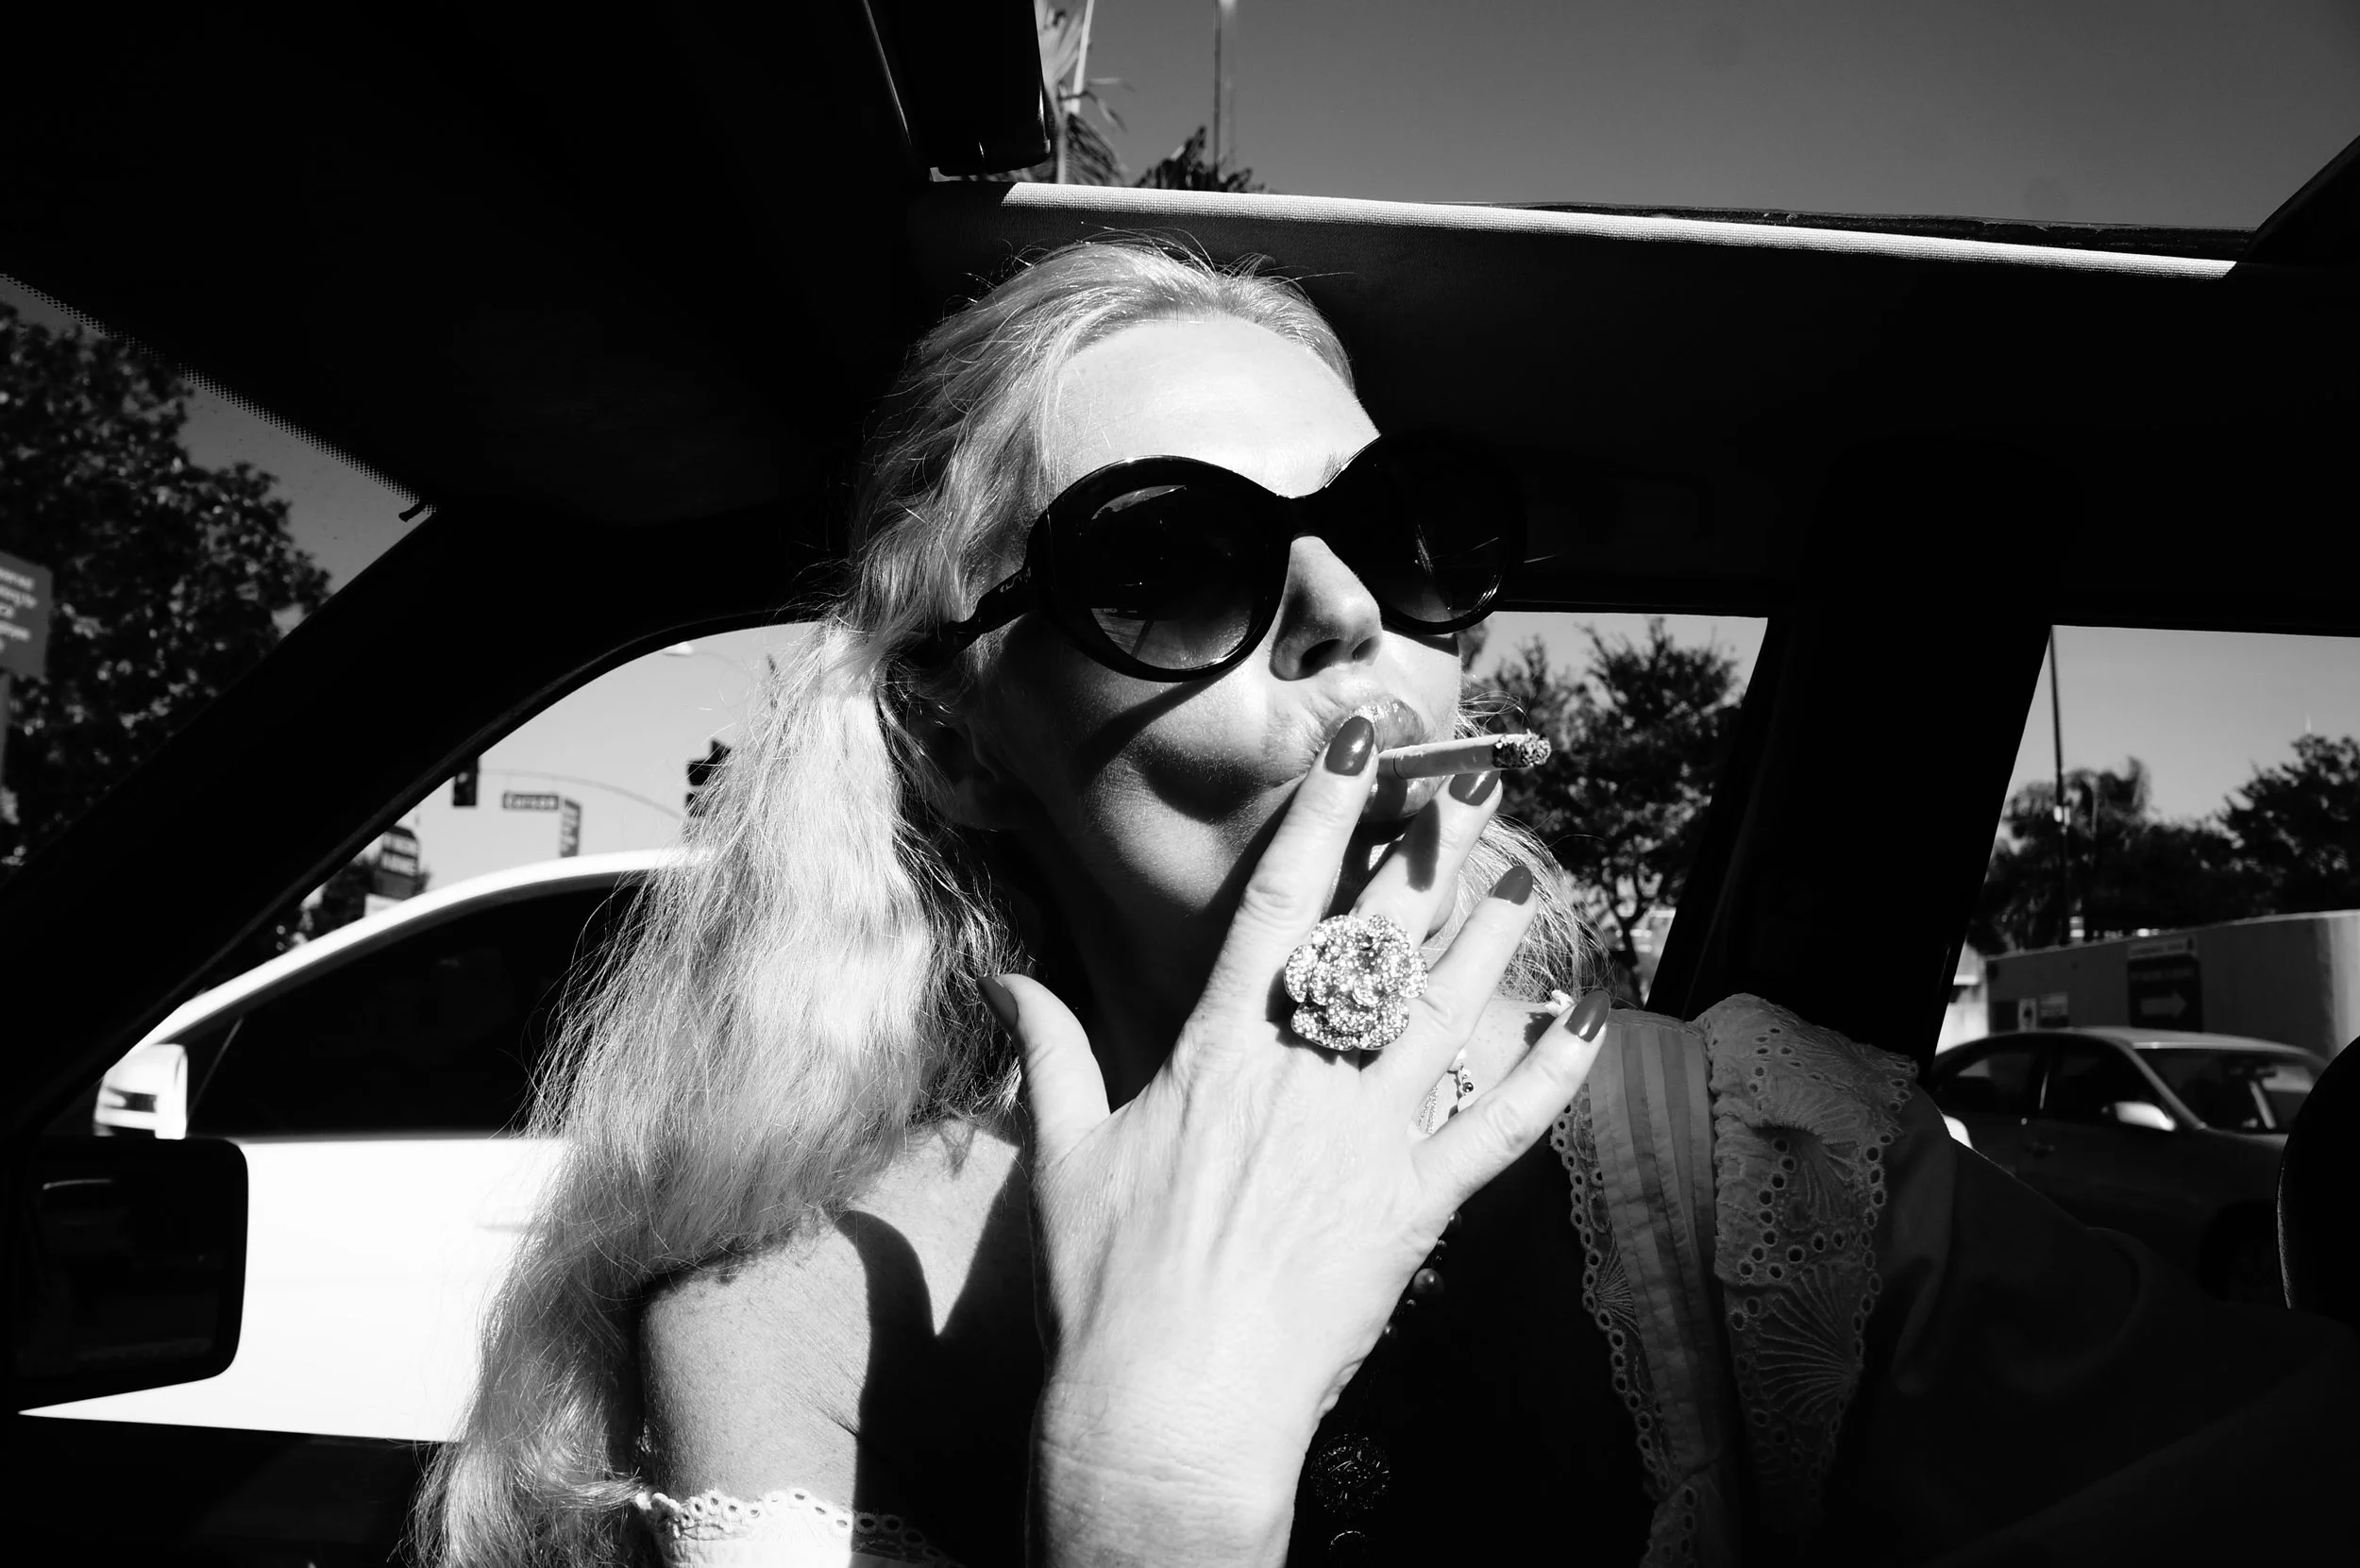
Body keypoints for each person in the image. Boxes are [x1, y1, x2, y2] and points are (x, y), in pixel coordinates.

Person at [417, 240, 2360, 1568]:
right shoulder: (790, 1313)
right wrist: (1147, 1477)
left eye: (1396, 533)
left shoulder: (1764, 1166)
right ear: (952, 730)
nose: (1347, 608)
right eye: (1171, 557)